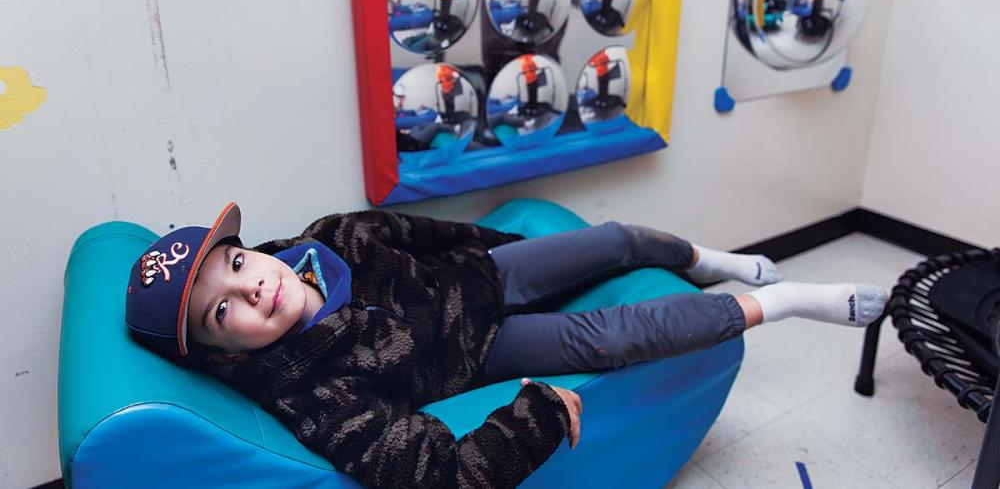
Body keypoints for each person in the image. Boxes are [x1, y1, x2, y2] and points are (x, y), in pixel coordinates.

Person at [125, 202, 888, 488]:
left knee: (616, 239)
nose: (250, 288)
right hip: (481, 354)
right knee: (618, 335)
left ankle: (704, 258)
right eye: (222, 312)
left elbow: (433, 234)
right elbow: (439, 474)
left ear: (248, 248)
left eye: (234, 265)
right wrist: (538, 417)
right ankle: (782, 301)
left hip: (479, 274)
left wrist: (517, 249)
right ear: (224, 354)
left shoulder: (330, 238)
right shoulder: (318, 393)